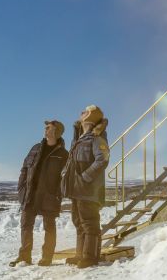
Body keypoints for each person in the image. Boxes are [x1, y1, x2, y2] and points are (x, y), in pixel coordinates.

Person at [9, 119, 69, 267]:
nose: (45, 129)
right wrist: (21, 188)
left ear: (56, 131)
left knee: (49, 227)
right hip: (31, 194)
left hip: (49, 196)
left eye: (48, 127)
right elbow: (24, 168)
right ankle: (24, 257)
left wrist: (58, 193)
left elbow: (65, 176)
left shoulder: (63, 154)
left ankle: (47, 257)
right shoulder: (35, 148)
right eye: (46, 127)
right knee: (25, 225)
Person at [61, 104, 109, 269]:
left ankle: (90, 257)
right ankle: (80, 254)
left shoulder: (97, 138)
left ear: (92, 116)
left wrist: (85, 177)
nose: (81, 113)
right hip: (77, 189)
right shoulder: (80, 139)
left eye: (85, 111)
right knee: (78, 222)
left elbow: (102, 159)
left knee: (89, 223)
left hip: (88, 189)